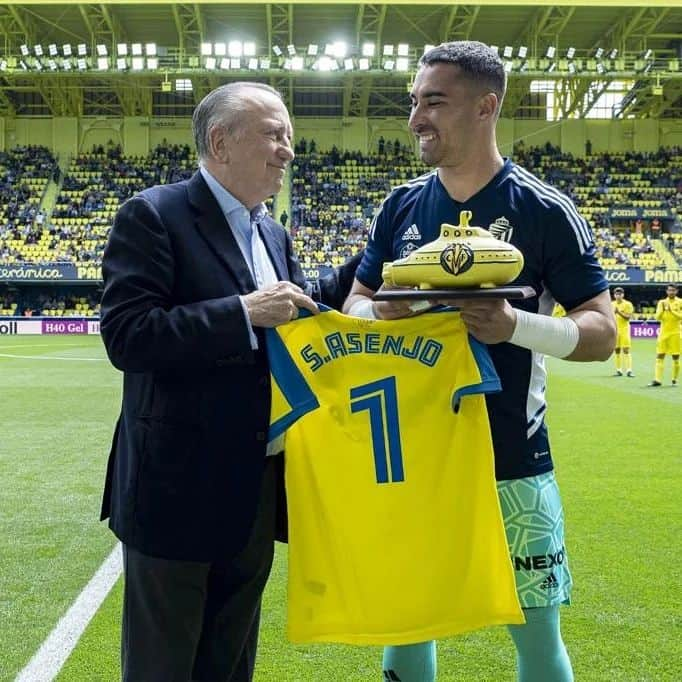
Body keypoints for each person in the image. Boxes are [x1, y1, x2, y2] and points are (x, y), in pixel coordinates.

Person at [343, 41, 615, 682]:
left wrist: (513, 324)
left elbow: (600, 331)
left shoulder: (543, 209)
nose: (415, 120)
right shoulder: (400, 207)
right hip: (416, 458)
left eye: (433, 102)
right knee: (409, 627)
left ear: (487, 106)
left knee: (536, 638)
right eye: (414, 103)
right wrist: (379, 314)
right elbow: (355, 299)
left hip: (513, 463)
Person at [99, 81, 359, 682]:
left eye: (289, 136)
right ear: (220, 141)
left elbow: (297, 311)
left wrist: (374, 272)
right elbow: (128, 335)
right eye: (274, 134)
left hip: (255, 489)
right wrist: (242, 312)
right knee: (163, 665)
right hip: (176, 490)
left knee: (231, 661)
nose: (288, 151)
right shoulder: (154, 215)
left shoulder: (272, 231)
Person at [648, 284, 682, 386]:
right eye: (669, 290)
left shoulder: (680, 302)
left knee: (675, 357)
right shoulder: (662, 302)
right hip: (663, 333)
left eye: (673, 290)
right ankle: (657, 380)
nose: (671, 292)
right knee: (660, 355)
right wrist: (662, 310)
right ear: (666, 291)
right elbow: (657, 317)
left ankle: (674, 379)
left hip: (675, 333)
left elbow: (680, 317)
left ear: (676, 291)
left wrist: (671, 311)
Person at [612, 286, 634, 376]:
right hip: (615, 330)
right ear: (614, 295)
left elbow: (628, 318)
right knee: (616, 350)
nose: (618, 296)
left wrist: (618, 312)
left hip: (624, 329)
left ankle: (629, 370)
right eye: (616, 294)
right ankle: (619, 370)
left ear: (623, 295)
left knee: (626, 350)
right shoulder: (611, 304)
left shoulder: (628, 304)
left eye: (620, 294)